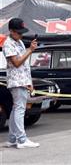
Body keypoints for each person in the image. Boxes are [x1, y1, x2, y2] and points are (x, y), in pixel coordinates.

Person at [2, 18, 40, 149]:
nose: (21, 34)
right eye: (18, 32)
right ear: (11, 31)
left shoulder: (19, 43)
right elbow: (17, 63)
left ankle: (13, 138)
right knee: (19, 109)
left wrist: (29, 82)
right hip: (17, 82)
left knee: (16, 109)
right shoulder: (8, 44)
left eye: (22, 32)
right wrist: (30, 50)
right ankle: (22, 139)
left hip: (22, 81)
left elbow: (25, 65)